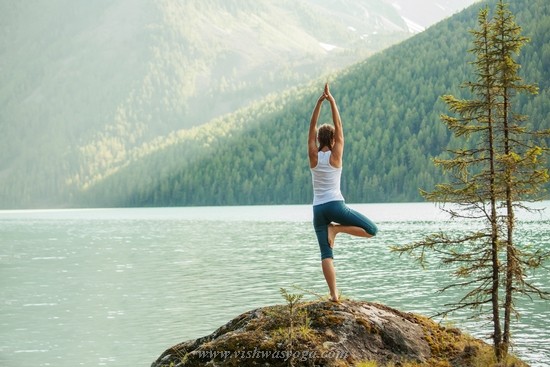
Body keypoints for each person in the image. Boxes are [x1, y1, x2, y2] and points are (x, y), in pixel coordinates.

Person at [308, 83, 378, 302]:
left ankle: (334, 295)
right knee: (371, 230)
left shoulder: (313, 156)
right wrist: (333, 101)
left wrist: (319, 103)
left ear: (319, 140)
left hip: (318, 209)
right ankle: (336, 231)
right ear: (334, 140)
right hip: (336, 205)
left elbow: (311, 127)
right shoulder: (335, 156)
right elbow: (339, 125)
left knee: (325, 254)